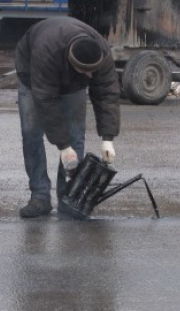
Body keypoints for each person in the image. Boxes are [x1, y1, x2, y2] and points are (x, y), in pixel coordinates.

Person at [15, 16, 121, 219]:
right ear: (72, 63)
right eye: (85, 71)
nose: (91, 76)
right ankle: (40, 197)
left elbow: (107, 93)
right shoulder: (46, 52)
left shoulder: (101, 52)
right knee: (32, 133)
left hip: (72, 83)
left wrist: (108, 138)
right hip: (32, 75)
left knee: (75, 134)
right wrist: (63, 147)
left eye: (93, 71)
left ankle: (68, 198)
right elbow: (46, 102)